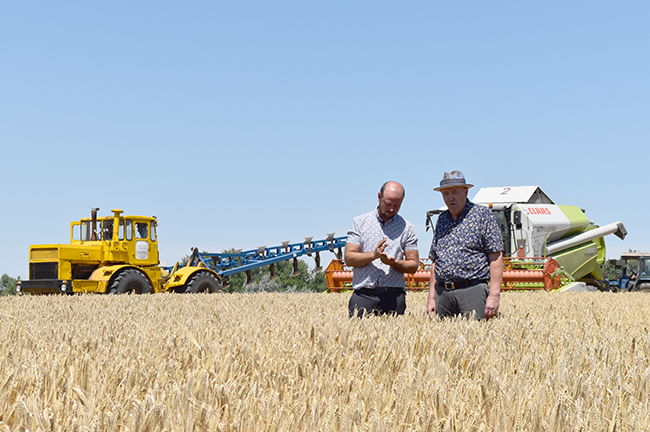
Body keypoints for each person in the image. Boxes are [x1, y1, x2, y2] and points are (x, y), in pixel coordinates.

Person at [426, 171, 504, 320]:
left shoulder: (483, 215)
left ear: (466, 191)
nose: (450, 198)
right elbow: (435, 260)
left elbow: (495, 256)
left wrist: (494, 295)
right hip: (443, 293)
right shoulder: (442, 219)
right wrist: (431, 297)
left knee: (474, 338)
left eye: (454, 192)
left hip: (472, 290)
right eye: (446, 194)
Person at [345, 181, 419, 317]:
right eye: (388, 204)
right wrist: (373, 255)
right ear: (379, 197)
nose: (391, 209)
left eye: (396, 206)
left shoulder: (407, 228)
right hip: (364, 296)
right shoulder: (359, 222)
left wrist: (393, 263)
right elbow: (349, 258)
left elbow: (413, 265)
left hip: (394, 297)